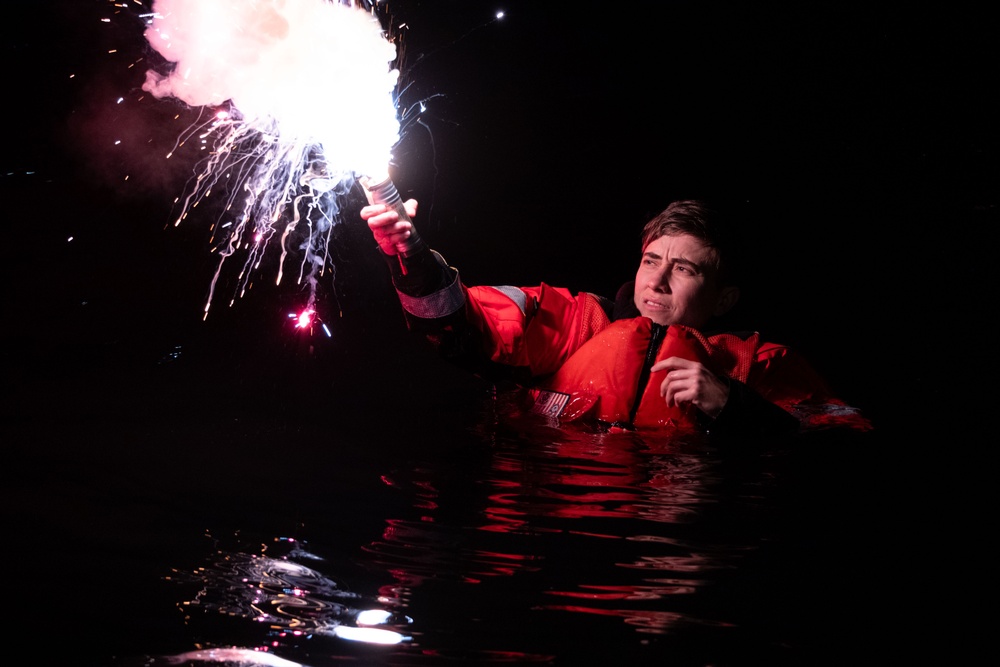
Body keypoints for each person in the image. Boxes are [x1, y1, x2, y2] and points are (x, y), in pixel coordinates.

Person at [360, 197, 870, 439]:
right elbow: (461, 326)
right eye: (652, 260)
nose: (657, 280)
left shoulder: (760, 365)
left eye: (684, 269)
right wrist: (411, 254)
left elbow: (848, 438)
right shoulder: (574, 321)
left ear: (724, 299)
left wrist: (735, 407)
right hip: (552, 524)